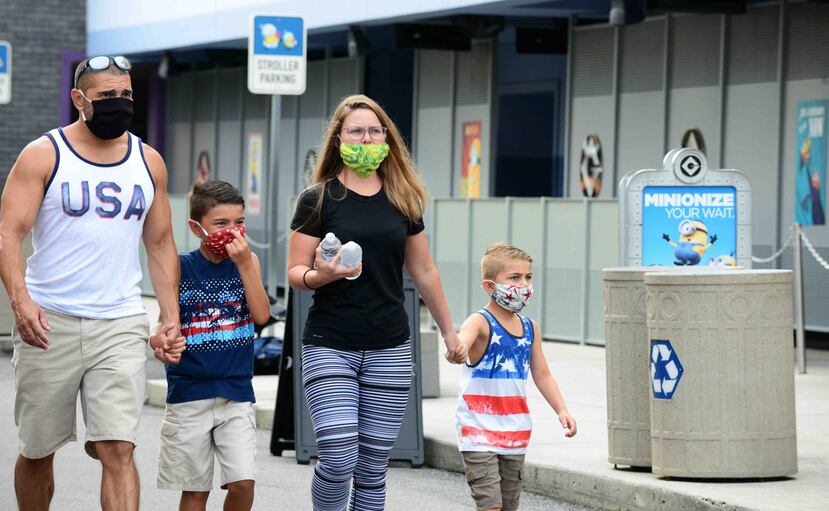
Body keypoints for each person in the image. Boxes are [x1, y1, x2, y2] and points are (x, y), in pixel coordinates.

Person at [0, 55, 182, 511]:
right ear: (78, 99)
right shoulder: (43, 154)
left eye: (126, 96)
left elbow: (160, 244)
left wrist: (169, 318)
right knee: (38, 450)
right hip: (49, 322)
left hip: (119, 322)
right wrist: (20, 304)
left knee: (118, 448)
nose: (119, 105)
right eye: (107, 97)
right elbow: (9, 233)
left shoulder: (149, 161)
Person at [287, 94, 467, 510]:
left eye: (373, 131)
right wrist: (322, 275)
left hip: (390, 345)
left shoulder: (404, 198)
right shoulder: (318, 199)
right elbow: (295, 274)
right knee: (336, 454)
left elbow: (424, 271)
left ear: (386, 137)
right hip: (330, 342)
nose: (365, 139)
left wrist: (449, 331)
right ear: (338, 139)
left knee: (371, 466)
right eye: (356, 131)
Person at [156, 180, 271, 511]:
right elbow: (161, 325)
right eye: (220, 224)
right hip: (189, 394)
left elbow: (262, 315)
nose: (231, 232)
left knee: (243, 483)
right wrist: (160, 340)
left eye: (238, 223)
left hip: (236, 392)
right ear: (196, 227)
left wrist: (246, 264)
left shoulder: (247, 263)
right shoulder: (180, 267)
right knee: (195, 491)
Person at [455, 243, 577, 511]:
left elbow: (542, 373)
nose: (523, 285)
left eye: (528, 277)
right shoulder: (479, 322)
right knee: (491, 506)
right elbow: (461, 343)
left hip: (515, 433)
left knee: (509, 507)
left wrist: (561, 409)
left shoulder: (530, 328)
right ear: (489, 286)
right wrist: (456, 350)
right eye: (514, 278)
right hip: (478, 433)